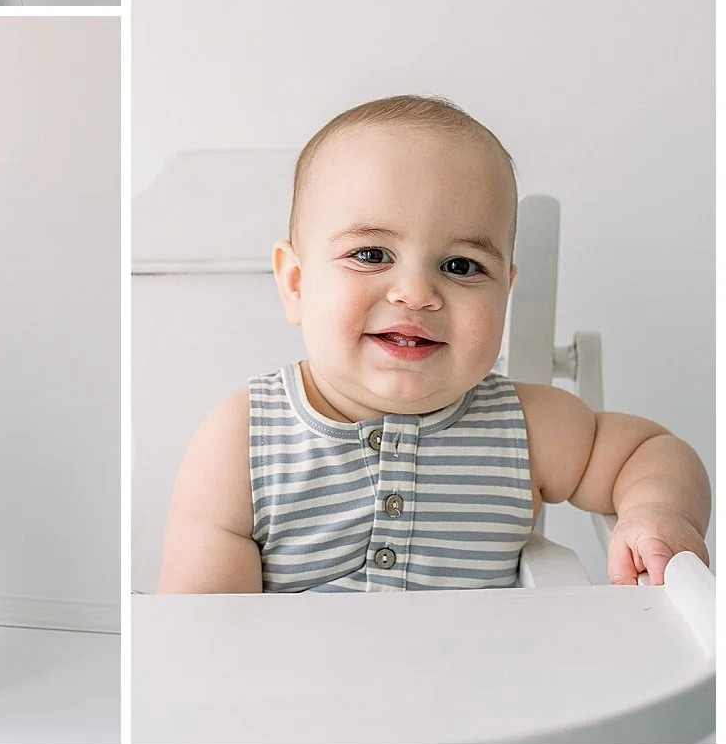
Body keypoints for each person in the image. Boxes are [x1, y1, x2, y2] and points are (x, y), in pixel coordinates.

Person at [159, 95, 711, 592]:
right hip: (290, 700)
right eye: (372, 254)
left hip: (483, 698)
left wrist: (657, 510)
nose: (417, 293)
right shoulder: (245, 441)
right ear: (297, 284)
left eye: (461, 265)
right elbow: (206, 637)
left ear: (505, 292)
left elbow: (648, 452)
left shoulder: (526, 426)